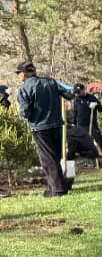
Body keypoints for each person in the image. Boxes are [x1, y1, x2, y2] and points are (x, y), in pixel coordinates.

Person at [14, 61, 74, 197]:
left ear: (23, 74)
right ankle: (55, 186)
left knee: (47, 158)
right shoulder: (51, 82)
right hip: (57, 124)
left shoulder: (24, 89)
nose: (18, 76)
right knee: (56, 156)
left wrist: (26, 114)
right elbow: (69, 94)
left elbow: (25, 113)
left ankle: (58, 189)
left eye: (18, 73)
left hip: (40, 127)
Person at [71, 83, 102, 168]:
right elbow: (75, 113)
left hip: (92, 125)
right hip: (81, 126)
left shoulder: (91, 98)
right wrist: (73, 124)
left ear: (83, 90)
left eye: (79, 91)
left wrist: (96, 105)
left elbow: (101, 109)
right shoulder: (76, 100)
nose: (78, 94)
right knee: (84, 145)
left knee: (100, 142)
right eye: (76, 92)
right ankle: (90, 162)